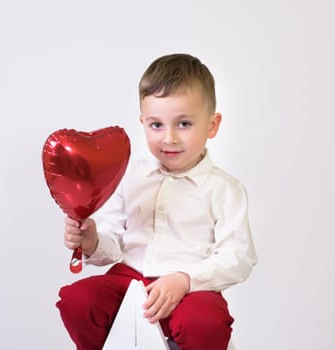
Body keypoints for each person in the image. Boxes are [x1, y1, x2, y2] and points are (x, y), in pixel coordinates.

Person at [56, 53, 258, 350]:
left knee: (207, 324)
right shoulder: (130, 176)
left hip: (191, 288)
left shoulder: (225, 189)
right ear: (142, 122)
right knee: (77, 301)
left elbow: (237, 257)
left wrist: (185, 279)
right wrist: (91, 239)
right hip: (128, 280)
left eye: (184, 124)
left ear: (212, 126)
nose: (169, 138)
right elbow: (112, 245)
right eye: (156, 125)